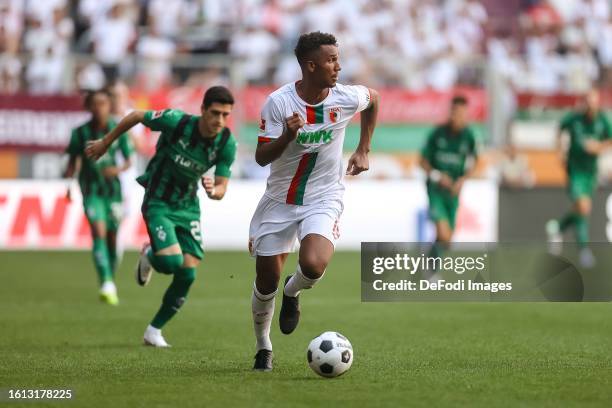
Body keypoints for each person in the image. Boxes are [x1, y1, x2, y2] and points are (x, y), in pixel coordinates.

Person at [249, 31, 379, 371]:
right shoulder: (278, 103)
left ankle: (293, 293)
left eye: (338, 58)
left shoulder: (346, 97)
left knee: (314, 264)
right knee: (266, 280)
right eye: (331, 60)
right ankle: (264, 346)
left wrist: (364, 148)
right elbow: (262, 156)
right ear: (311, 65)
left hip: (324, 196)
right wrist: (287, 137)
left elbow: (374, 98)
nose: (338, 66)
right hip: (279, 200)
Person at [85, 86, 237, 346]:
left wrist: (215, 190)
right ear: (202, 110)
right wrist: (105, 142)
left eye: (225, 115)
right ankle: (150, 255)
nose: (219, 121)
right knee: (170, 263)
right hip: (159, 200)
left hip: (188, 206)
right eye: (215, 113)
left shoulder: (226, 143)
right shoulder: (176, 122)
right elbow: (135, 116)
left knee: (188, 274)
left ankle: (153, 330)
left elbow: (222, 186)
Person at [64, 88, 133, 305]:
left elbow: (129, 160)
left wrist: (118, 170)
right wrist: (69, 183)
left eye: (103, 103)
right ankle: (105, 281)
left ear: (109, 106)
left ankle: (109, 279)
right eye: (95, 104)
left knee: (112, 237)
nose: (99, 108)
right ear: (88, 107)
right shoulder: (80, 133)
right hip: (91, 189)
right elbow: (73, 159)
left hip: (113, 191)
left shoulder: (117, 129)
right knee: (98, 231)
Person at [546, 89, 612, 267]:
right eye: (588, 102)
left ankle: (558, 229)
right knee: (583, 207)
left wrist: (599, 147)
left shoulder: (603, 120)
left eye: (594, 102)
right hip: (574, 170)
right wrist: (559, 150)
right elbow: (560, 128)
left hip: (591, 172)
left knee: (579, 209)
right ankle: (584, 250)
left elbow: (610, 140)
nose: (591, 106)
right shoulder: (574, 118)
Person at [420, 96, 479, 265]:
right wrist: (438, 176)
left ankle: (429, 262)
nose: (458, 117)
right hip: (436, 190)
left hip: (453, 192)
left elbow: (476, 161)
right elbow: (423, 161)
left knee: (447, 241)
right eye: (455, 112)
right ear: (450, 112)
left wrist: (463, 180)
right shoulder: (437, 133)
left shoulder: (469, 136)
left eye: (462, 114)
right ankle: (430, 268)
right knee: (444, 234)